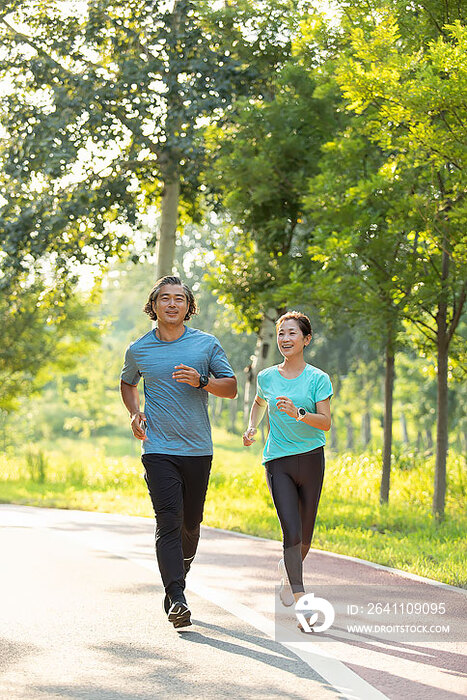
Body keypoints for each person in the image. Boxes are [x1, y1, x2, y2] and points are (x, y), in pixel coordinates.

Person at [120, 275, 237, 629]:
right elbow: (128, 383)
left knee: (191, 523)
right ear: (153, 306)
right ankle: (177, 597)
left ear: (189, 306)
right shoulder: (139, 348)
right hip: (157, 448)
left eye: (179, 299)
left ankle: (178, 572)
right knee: (168, 520)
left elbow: (230, 388)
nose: (172, 304)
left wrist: (201, 381)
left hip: (198, 448)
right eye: (165, 298)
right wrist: (134, 412)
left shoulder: (205, 344)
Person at [243, 311, 332, 624]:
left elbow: (326, 423)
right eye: (281, 333)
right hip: (277, 461)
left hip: (310, 459)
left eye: (292, 333)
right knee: (291, 533)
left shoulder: (318, 378)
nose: (285, 339)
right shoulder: (267, 377)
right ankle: (302, 604)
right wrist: (252, 427)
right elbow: (258, 402)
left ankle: (286, 574)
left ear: (305, 339)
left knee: (305, 538)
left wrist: (298, 413)